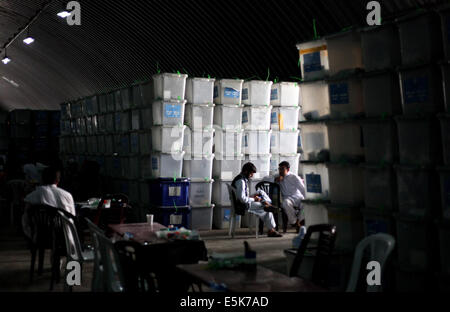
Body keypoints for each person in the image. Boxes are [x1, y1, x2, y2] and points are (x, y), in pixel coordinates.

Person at [22, 166, 76, 239]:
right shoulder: (67, 195)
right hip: (62, 236)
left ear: (42, 179)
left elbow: (26, 220)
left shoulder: (30, 197)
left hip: (39, 235)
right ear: (58, 180)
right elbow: (72, 217)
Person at [232, 163, 283, 238]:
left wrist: (252, 197)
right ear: (246, 171)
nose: (252, 175)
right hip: (242, 205)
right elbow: (242, 199)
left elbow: (242, 196)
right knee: (266, 208)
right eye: (251, 173)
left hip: (243, 203)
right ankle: (271, 230)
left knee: (261, 196)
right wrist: (254, 199)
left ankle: (268, 206)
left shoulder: (240, 179)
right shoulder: (241, 181)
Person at [275, 161, 306, 232]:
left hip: (298, 197)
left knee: (305, 205)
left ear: (288, 169)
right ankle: (295, 222)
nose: (280, 171)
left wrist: (307, 199)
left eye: (282, 169)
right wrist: (275, 179)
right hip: (288, 199)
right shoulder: (278, 177)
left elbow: (303, 189)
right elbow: (266, 178)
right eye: (279, 169)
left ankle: (299, 221)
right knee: (285, 203)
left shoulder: (294, 177)